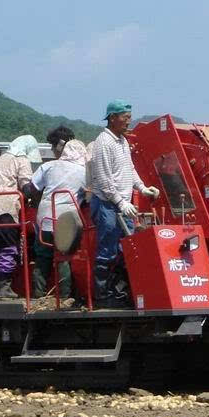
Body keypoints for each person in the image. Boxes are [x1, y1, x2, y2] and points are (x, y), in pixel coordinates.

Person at [87, 100, 160, 306]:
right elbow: (103, 178)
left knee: (124, 248)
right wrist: (120, 202)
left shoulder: (122, 141)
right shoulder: (104, 142)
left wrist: (143, 188)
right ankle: (103, 295)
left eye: (129, 118)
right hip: (107, 204)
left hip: (121, 204)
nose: (128, 122)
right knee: (108, 248)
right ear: (112, 118)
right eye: (125, 118)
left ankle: (119, 291)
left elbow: (129, 170)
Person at [0, 135, 41, 301]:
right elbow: (26, 187)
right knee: (7, 249)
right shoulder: (21, 159)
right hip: (3, 210)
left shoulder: (2, 158)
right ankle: (4, 290)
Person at [28, 139, 88, 299]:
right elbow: (90, 195)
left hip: (45, 217)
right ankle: (64, 297)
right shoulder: (84, 172)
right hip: (67, 220)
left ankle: (37, 296)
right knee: (64, 257)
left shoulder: (48, 166)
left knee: (42, 256)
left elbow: (32, 188)